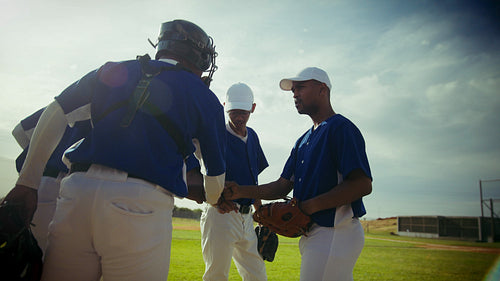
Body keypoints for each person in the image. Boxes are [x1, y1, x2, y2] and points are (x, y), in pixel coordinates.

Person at [2, 19, 226, 281]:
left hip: (76, 194)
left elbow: (56, 110)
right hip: (140, 204)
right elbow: (215, 178)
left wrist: (27, 183)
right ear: (197, 57)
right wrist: (214, 198)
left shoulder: (113, 69)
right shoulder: (203, 96)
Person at [223, 67, 373, 281]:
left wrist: (306, 207)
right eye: (293, 90)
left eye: (300, 87)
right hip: (315, 234)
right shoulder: (303, 140)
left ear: (322, 89)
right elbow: (282, 186)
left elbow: (362, 184)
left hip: (335, 231)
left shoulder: (340, 128)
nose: (294, 94)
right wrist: (240, 190)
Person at [200, 83, 268, 281]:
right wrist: (214, 199)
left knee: (257, 275)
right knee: (216, 275)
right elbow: (201, 171)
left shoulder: (253, 136)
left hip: (247, 218)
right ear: (225, 107)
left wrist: (260, 210)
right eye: (234, 112)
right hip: (221, 214)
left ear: (252, 109)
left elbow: (254, 178)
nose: (239, 117)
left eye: (244, 112)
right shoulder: (217, 135)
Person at [12, 108, 91, 256]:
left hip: (36, 183)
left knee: (24, 256)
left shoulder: (62, 105)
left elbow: (19, 131)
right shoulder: (104, 98)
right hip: (69, 184)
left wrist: (40, 161)